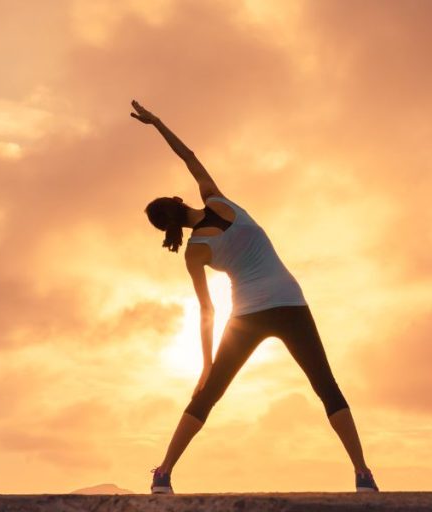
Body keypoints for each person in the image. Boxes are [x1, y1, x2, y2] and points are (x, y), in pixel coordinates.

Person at [132, 100, 378, 494]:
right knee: (326, 385)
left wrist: (206, 365)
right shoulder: (217, 198)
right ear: (179, 201)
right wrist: (158, 122)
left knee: (208, 394)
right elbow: (189, 156)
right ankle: (363, 474)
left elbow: (207, 311)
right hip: (290, 302)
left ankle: (163, 473)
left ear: (169, 228)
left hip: (246, 315)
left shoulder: (195, 252)